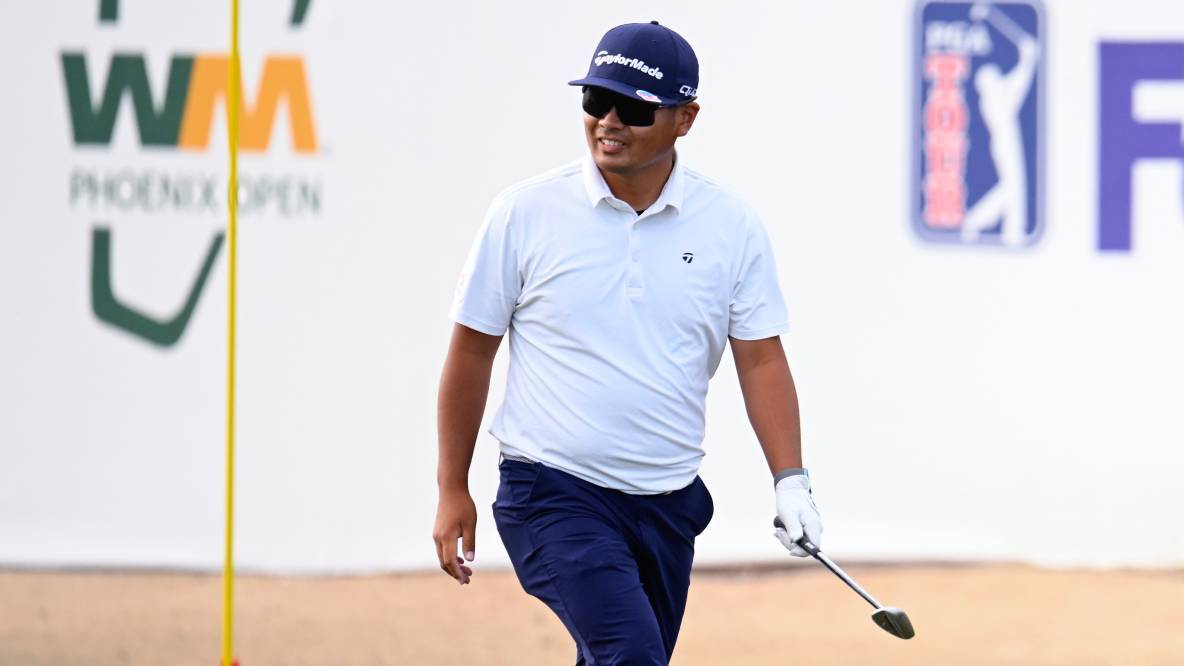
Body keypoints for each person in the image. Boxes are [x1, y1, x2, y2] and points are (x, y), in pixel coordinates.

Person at [433, 21, 822, 665]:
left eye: (634, 108)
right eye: (595, 100)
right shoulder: (525, 213)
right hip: (552, 492)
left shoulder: (730, 225)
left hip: (668, 504)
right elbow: (472, 352)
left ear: (685, 119)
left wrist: (792, 481)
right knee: (632, 657)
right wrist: (453, 485)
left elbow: (760, 359)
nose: (608, 121)